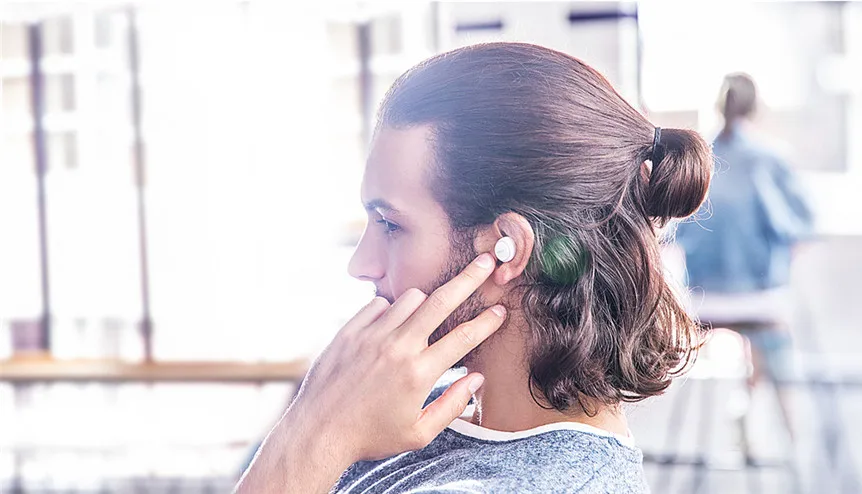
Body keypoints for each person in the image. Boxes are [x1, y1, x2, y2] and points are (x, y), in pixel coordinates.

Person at [237, 42, 713, 493]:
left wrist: (318, 433)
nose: (361, 265)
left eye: (390, 225)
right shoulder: (409, 404)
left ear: (507, 248)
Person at [676, 73, 813, 446]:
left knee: (756, 330)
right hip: (756, 299)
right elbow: (802, 227)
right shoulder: (770, 158)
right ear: (755, 107)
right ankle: (791, 436)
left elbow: (673, 233)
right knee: (773, 332)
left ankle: (743, 406)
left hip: (701, 302)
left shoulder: (697, 157)